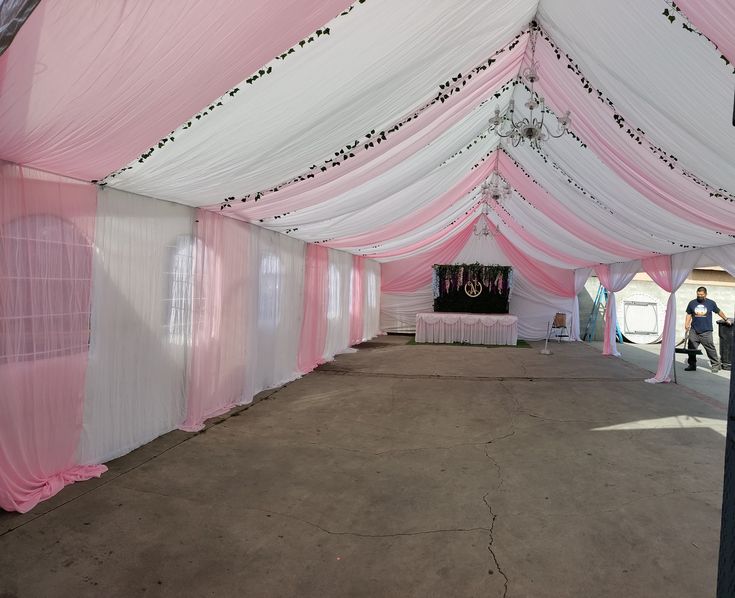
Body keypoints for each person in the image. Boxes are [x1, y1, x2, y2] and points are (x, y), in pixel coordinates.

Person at [684, 286, 731, 372]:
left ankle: (715, 365)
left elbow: (718, 311)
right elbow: (689, 314)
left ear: (705, 294)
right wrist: (686, 324)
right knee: (691, 348)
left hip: (706, 331)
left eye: (701, 294)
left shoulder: (711, 303)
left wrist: (726, 319)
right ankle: (692, 365)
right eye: (698, 294)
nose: (700, 296)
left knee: (710, 348)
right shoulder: (692, 303)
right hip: (694, 330)